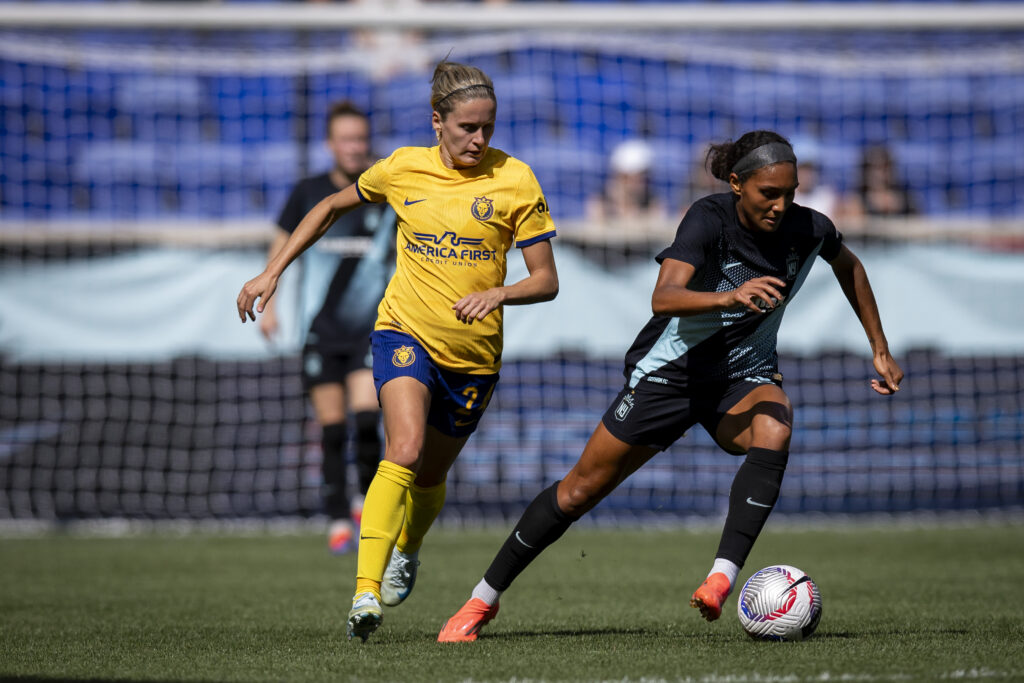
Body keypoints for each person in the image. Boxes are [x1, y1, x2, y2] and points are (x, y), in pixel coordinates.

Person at [437, 130, 903, 643]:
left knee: (774, 428)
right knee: (577, 492)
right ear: (736, 184)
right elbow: (665, 298)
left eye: (789, 193)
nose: (781, 204)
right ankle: (482, 600)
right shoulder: (708, 218)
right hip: (670, 374)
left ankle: (721, 579)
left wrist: (878, 347)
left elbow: (849, 266)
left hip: (741, 377)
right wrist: (730, 297)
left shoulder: (810, 228)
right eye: (769, 193)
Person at [236, 60, 559, 644]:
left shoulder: (516, 180)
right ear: (437, 122)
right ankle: (364, 589)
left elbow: (546, 280)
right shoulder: (402, 169)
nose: (479, 139)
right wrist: (272, 272)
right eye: (467, 128)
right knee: (403, 448)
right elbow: (330, 207)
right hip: (403, 334)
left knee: (431, 473)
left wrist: (499, 292)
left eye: (488, 127)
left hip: (475, 359)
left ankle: (407, 546)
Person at [260, 101, 394, 556]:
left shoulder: (385, 190)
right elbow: (280, 246)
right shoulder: (308, 192)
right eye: (347, 139)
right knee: (332, 428)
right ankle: (337, 517)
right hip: (320, 328)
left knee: (367, 416)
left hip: (371, 328)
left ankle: (365, 504)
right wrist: (269, 304)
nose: (356, 147)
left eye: (361, 138)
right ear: (330, 144)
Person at [585, 139, 667, 231]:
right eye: (640, 175)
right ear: (623, 176)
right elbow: (597, 226)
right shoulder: (601, 201)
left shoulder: (651, 201)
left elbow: (657, 223)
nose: (645, 181)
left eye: (646, 175)